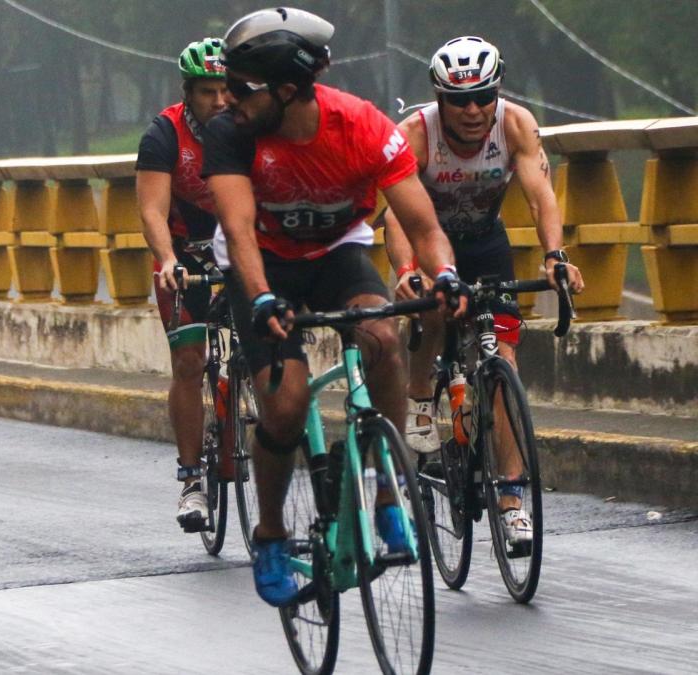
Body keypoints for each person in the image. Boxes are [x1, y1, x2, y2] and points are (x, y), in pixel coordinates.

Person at [203, 7, 467, 607]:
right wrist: (263, 296)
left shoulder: (363, 129)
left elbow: (423, 225)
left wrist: (445, 274)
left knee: (381, 337)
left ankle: (387, 488)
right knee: (287, 403)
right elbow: (239, 232)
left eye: (240, 88)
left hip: (334, 253)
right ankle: (271, 533)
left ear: (288, 90)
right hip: (262, 265)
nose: (226, 101)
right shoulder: (231, 135)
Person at [383, 36, 584, 543]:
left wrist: (555, 256)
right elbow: (396, 215)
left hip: (486, 243)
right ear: (439, 97)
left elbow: (541, 197)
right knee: (431, 309)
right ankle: (421, 399)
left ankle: (513, 499)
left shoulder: (515, 124)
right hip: (430, 242)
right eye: (459, 99)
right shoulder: (415, 134)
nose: (473, 110)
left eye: (483, 97)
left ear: (497, 93)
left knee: (504, 366)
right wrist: (409, 269)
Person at [136, 37, 230, 533]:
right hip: (183, 257)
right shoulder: (164, 134)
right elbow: (151, 209)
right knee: (190, 361)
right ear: (188, 93)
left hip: (239, 251)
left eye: (226, 90)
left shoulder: (249, 126)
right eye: (208, 92)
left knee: (270, 347)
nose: (219, 101)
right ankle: (192, 480)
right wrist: (168, 258)